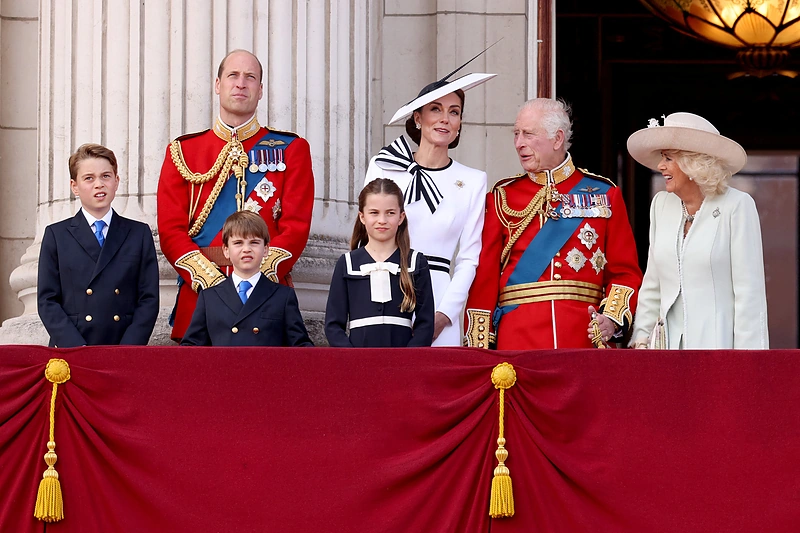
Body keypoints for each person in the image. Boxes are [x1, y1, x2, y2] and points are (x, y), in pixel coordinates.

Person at [157, 49, 314, 342]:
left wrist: (256, 278)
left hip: (266, 299)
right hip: (200, 294)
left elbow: (296, 227)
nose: (241, 83)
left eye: (250, 77)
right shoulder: (183, 151)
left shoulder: (292, 149)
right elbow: (170, 230)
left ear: (260, 90)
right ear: (218, 85)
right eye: (233, 75)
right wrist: (214, 283)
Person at [464, 98, 643, 350]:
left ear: (557, 139)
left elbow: (624, 273)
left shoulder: (604, 193)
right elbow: (484, 280)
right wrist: (478, 349)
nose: (519, 143)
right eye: (516, 134)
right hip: (517, 341)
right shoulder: (502, 196)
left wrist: (611, 321)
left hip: (583, 339)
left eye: (528, 134)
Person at [364, 68, 495, 346]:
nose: (445, 119)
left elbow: (469, 258)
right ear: (417, 118)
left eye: (454, 111)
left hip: (439, 297)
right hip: (383, 290)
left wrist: (444, 315)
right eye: (436, 109)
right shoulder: (384, 166)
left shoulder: (473, 180)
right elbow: (364, 238)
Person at [626, 112, 768, 349]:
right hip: (665, 353)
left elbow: (749, 296)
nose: (661, 166)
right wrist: (640, 340)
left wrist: (748, 364)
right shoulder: (661, 205)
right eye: (662, 157)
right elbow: (653, 284)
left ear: (694, 164)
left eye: (668, 158)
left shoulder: (737, 206)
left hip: (717, 349)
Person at [37, 143, 159, 347]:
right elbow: (47, 300)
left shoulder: (139, 234)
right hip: (73, 350)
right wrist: (76, 348)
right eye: (89, 178)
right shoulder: (56, 235)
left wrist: (128, 349)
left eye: (106, 176)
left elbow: (148, 299)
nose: (99, 184)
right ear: (74, 186)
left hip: (123, 349)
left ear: (116, 181)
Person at [325, 178, 434, 347]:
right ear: (362, 216)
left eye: (390, 213)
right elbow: (333, 325)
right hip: (358, 363)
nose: (382, 220)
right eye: (374, 213)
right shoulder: (347, 263)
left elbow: (425, 324)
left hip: (404, 363)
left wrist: (409, 359)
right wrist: (351, 358)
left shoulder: (416, 262)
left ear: (401, 217)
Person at [181, 211, 313, 347]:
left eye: (254, 242)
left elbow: (300, 347)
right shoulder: (209, 297)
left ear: (266, 249)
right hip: (223, 368)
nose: (246, 249)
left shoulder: (283, 296)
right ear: (226, 250)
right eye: (238, 243)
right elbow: (192, 348)